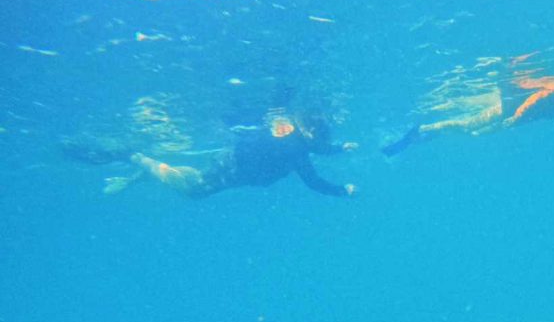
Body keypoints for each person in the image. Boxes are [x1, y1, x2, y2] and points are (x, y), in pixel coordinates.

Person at [66, 111, 358, 198]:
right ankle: (136, 157)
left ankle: (146, 172)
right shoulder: (297, 150)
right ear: (309, 133)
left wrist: (339, 149)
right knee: (194, 190)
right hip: (235, 168)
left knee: (198, 181)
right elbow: (313, 182)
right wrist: (342, 191)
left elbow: (315, 150)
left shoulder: (296, 139)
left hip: (234, 161)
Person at [382, 53, 554, 156]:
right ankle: (421, 132)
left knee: (469, 128)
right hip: (510, 112)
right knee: (470, 130)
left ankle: (420, 135)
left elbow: (540, 108)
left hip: (510, 112)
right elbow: (535, 101)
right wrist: (515, 118)